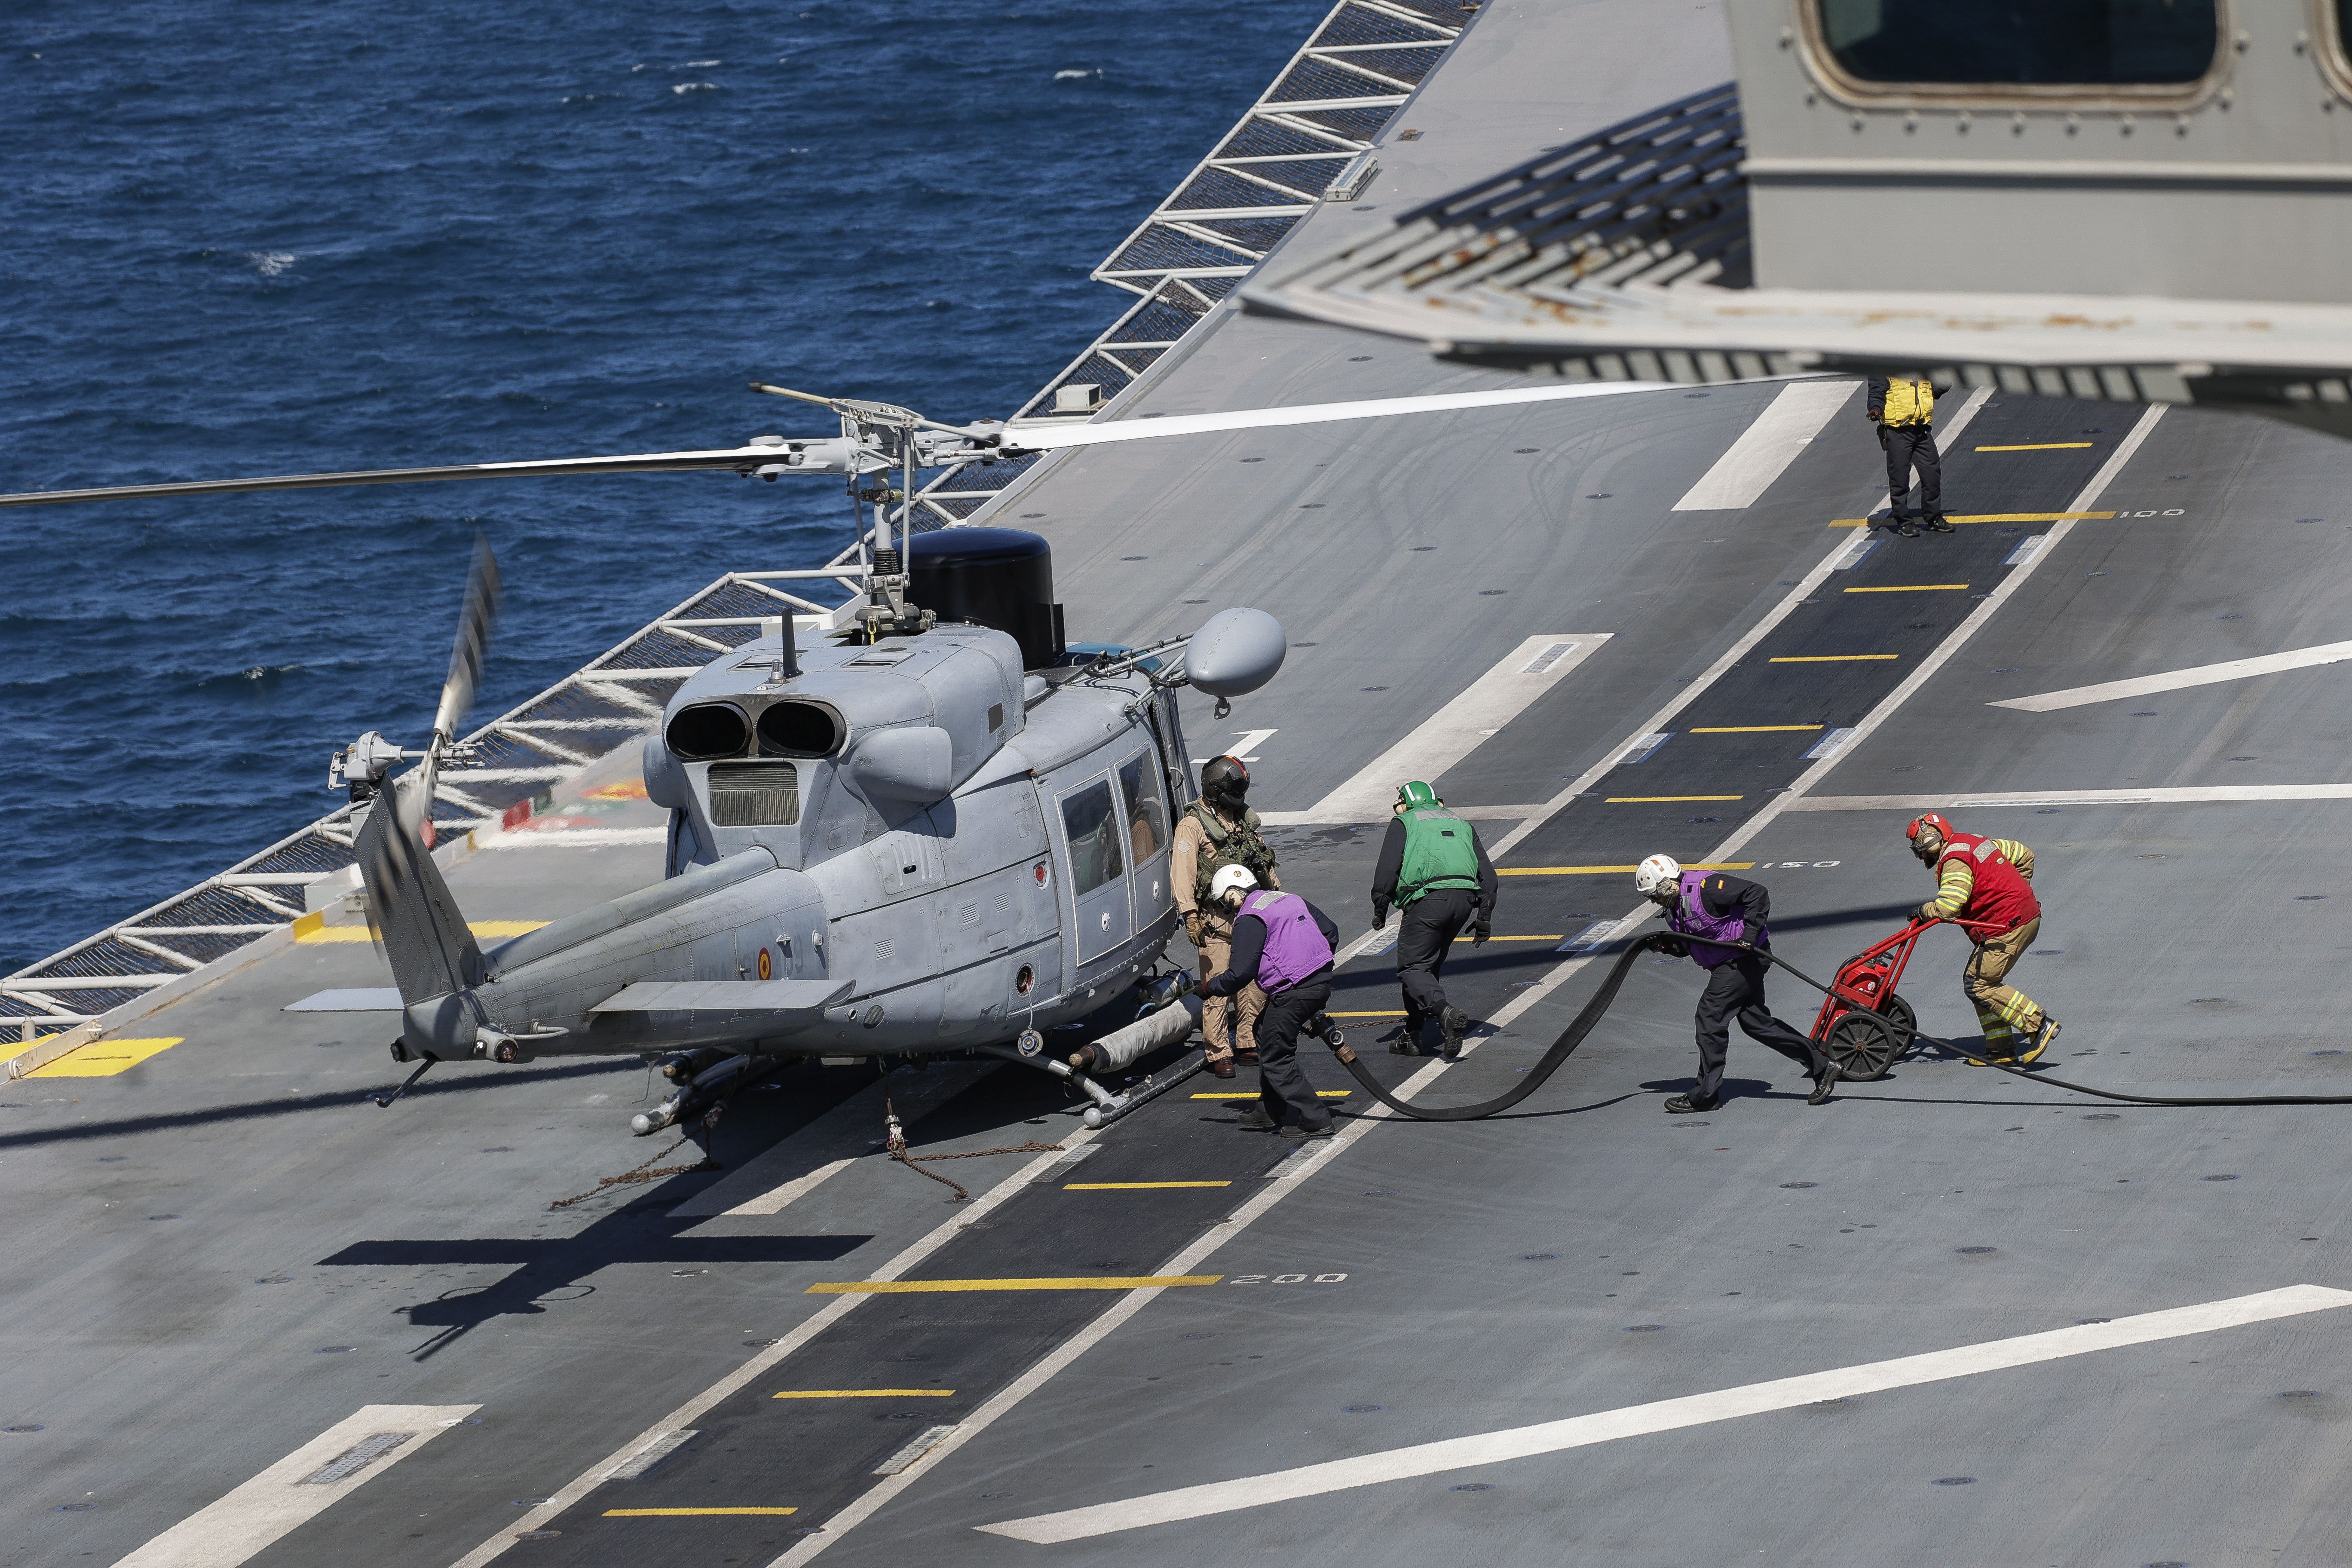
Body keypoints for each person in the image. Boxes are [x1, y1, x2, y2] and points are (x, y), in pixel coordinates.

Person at [1635, 854, 1840, 1113]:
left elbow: (1757, 893)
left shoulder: (1706, 888)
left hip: (1742, 960)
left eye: (1655, 895)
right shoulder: (1675, 909)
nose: (1655, 901)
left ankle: (1706, 1094)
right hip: (1730, 963)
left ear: (1667, 883)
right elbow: (1695, 943)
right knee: (1757, 1024)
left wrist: (1749, 935)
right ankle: (1822, 1066)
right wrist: (1665, 946)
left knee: (1709, 1018)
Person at [1199, 865, 1340, 1139]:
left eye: (1226, 907)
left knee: (1276, 1057)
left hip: (1295, 992)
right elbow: (1331, 932)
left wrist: (1208, 988)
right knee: (1263, 1030)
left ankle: (1316, 1118)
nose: (1229, 914)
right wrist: (1314, 967)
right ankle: (1269, 1109)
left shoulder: (1250, 917)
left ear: (1233, 895)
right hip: (1318, 982)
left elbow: (1240, 974)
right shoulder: (1289, 899)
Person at [1906, 813, 2059, 1063]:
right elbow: (2024, 854)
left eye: (1921, 850)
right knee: (1976, 981)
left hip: (2008, 927)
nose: (1922, 857)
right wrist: (2017, 892)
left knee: (1980, 985)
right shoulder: (1972, 841)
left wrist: (1924, 911)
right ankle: (2001, 1049)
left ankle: (2039, 1025)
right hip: (2023, 917)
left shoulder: (1954, 861)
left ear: (1933, 839)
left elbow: (1948, 908)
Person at [1369, 779, 1499, 1059]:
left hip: (1428, 901)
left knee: (1413, 967)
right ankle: (1413, 1035)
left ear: (1407, 802)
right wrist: (1484, 916)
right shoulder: (1463, 824)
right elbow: (1489, 877)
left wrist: (1380, 908)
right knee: (1427, 968)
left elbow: (1387, 870)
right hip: (1464, 903)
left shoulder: (1404, 822)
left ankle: (1445, 1013)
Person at [1170, 755, 1280, 1079]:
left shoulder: (1240, 820)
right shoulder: (1192, 826)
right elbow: (1183, 874)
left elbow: (1262, 860)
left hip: (1251, 915)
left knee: (1254, 983)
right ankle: (1218, 1050)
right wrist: (1190, 915)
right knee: (1218, 987)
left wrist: (1277, 895)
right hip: (1214, 922)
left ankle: (1247, 1040)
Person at [1867, 373, 1954, 539]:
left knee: (1932, 475)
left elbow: (1933, 390)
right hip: (1898, 433)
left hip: (1922, 432)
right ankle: (1904, 522)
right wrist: (1875, 409)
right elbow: (1876, 393)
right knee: (1899, 479)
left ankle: (1934, 518)